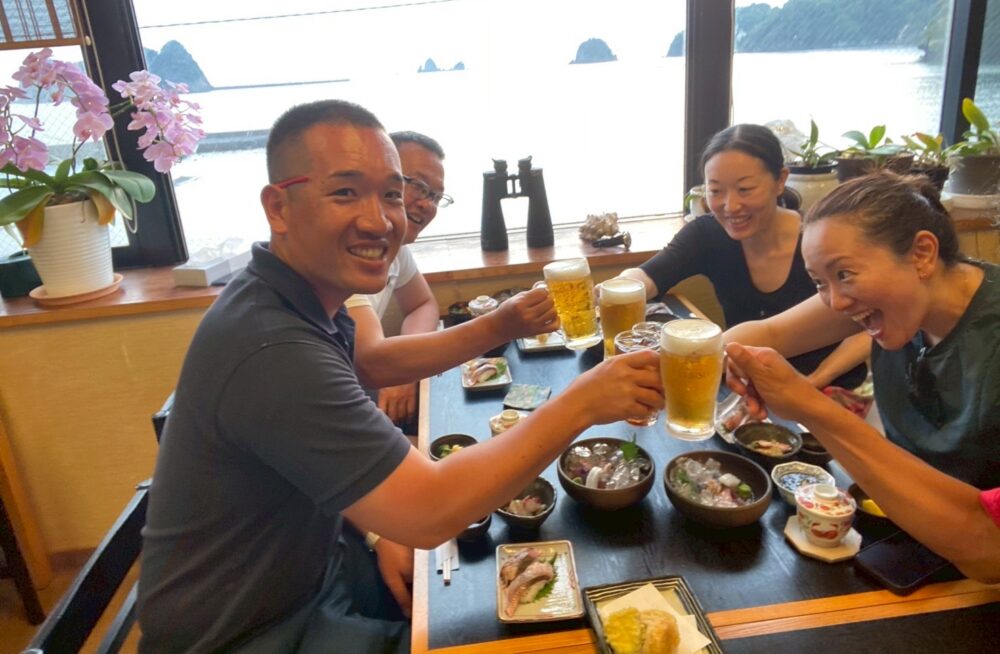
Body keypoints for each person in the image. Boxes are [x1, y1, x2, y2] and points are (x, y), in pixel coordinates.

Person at [137, 99, 663, 654]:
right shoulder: (273, 347)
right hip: (250, 632)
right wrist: (582, 402)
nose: (380, 219)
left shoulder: (297, 302)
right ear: (279, 207)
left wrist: (374, 526)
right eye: (345, 192)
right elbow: (429, 511)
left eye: (392, 194)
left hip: (314, 568)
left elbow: (367, 384)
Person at [724, 171, 1000, 583]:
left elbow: (989, 548)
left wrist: (808, 404)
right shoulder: (900, 298)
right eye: (819, 282)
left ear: (922, 254)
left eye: (844, 274)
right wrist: (686, 362)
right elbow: (770, 333)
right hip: (909, 534)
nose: (835, 302)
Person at [617, 123, 869, 390]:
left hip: (829, 388)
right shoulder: (707, 234)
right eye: (716, 191)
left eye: (745, 189)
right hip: (747, 384)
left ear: (780, 180)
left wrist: (818, 378)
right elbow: (650, 275)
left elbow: (867, 321)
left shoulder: (819, 242)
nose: (731, 206)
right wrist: (618, 290)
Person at [345, 130, 450, 426]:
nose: (428, 204)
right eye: (419, 186)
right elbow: (374, 362)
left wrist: (406, 366)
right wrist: (501, 325)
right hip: (341, 400)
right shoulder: (342, 253)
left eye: (436, 197)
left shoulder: (396, 246)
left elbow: (423, 304)